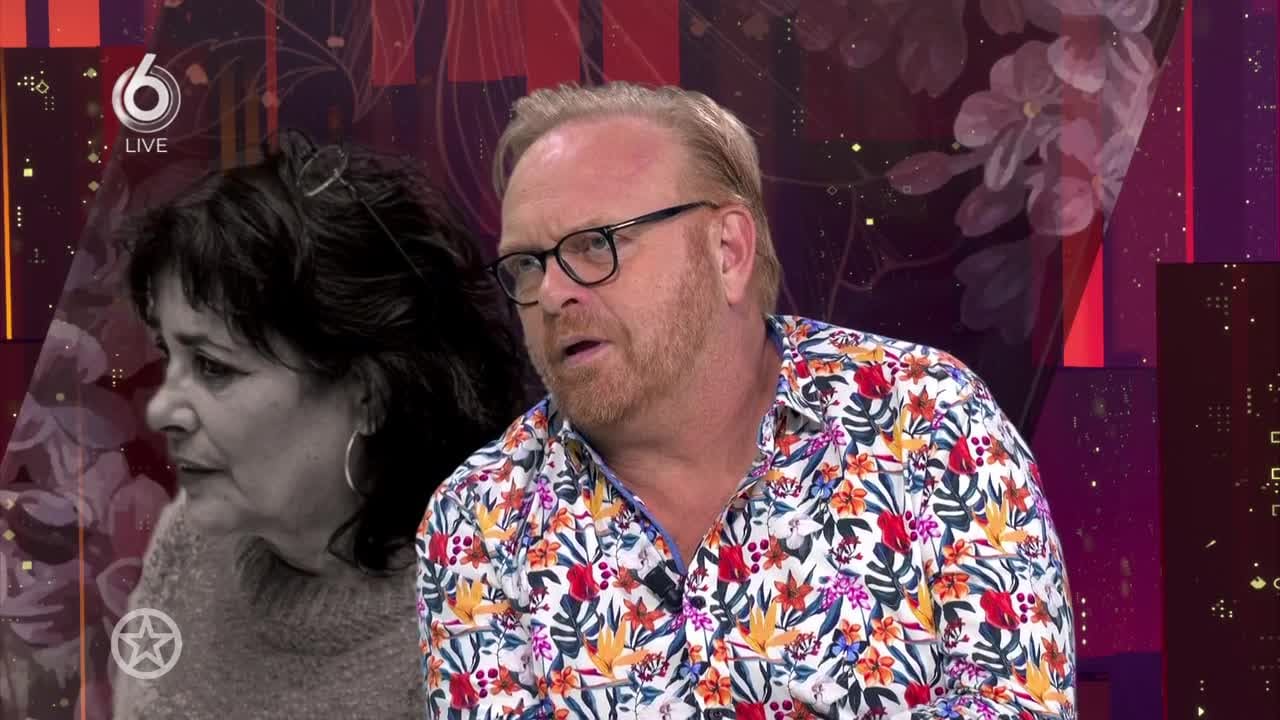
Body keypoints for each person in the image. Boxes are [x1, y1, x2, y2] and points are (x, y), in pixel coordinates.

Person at [415, 82, 1076, 719]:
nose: (552, 294)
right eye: (526, 265)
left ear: (728, 251)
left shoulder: (930, 418)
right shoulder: (476, 521)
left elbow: (1019, 707)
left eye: (594, 245)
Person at [110, 130, 530, 718]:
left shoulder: (489, 630)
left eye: (214, 366)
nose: (161, 411)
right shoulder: (192, 537)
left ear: (370, 393)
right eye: (169, 354)